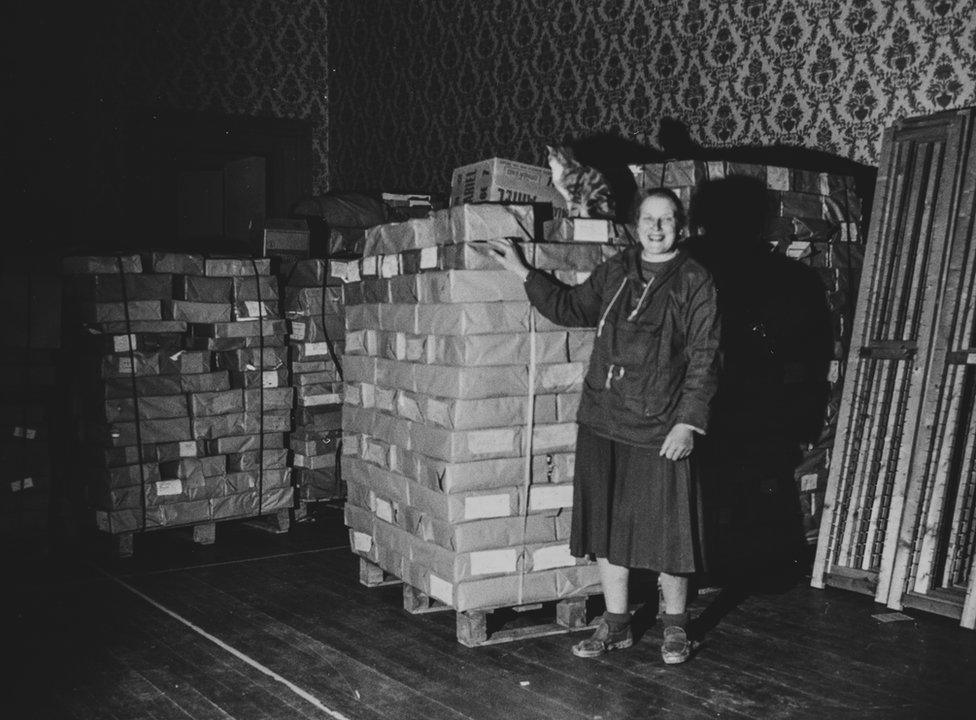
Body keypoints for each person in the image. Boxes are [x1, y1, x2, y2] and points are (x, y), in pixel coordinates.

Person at [488, 188, 721, 665]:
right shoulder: (618, 270)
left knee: (667, 533)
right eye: (649, 219)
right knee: (609, 529)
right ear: (636, 225)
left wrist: (688, 424)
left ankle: (675, 627)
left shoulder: (696, 280)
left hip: (660, 427)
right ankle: (616, 624)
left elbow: (706, 357)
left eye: (668, 219)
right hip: (602, 419)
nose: (657, 229)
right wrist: (522, 271)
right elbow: (572, 308)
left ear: (683, 226)